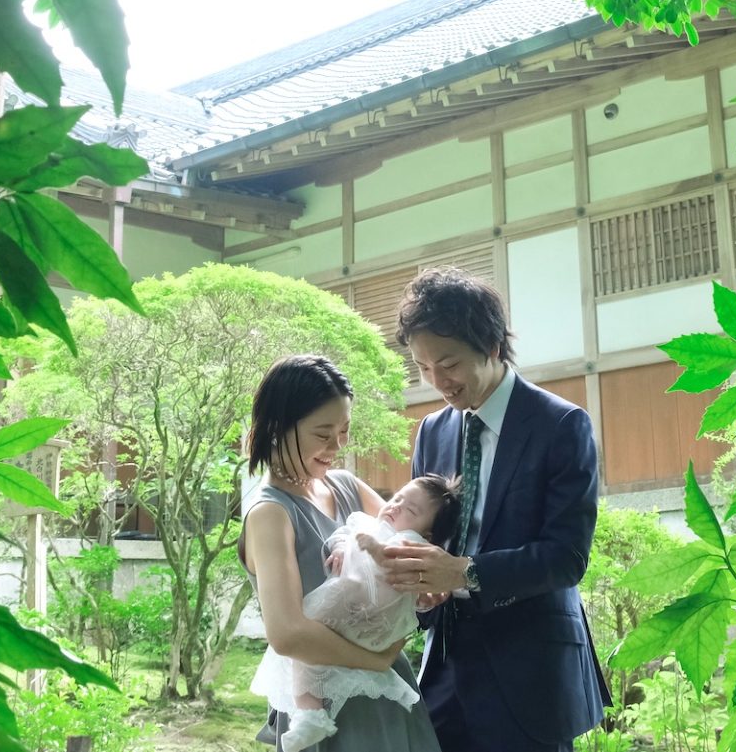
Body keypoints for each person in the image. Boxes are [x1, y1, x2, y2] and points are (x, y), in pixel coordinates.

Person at [382, 267, 610, 752]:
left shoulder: (561, 425)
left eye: (449, 364)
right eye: (423, 368)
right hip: (444, 668)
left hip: (530, 671)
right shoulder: (431, 431)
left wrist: (463, 573)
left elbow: (566, 558)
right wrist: (423, 588)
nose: (437, 381)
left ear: (490, 345)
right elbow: (427, 535)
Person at [239, 354, 442, 752]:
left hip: (389, 699)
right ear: (279, 427)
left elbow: (412, 552)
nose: (338, 445)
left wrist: (426, 583)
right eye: (323, 433)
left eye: (345, 430)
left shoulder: (345, 486)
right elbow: (288, 634)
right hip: (325, 715)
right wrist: (379, 659)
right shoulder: (270, 513)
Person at [252, 474, 463, 752]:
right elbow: (343, 534)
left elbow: (398, 563)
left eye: (410, 510)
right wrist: (340, 548)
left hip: (373, 630)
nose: (396, 507)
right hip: (339, 626)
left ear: (428, 535)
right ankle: (309, 714)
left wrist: (376, 550)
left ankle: (311, 714)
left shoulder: (411, 542)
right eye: (397, 498)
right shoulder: (367, 522)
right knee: (304, 662)